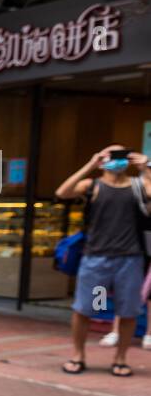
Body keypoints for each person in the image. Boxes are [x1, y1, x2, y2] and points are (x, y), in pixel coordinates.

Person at [56, 145, 150, 377]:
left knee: (128, 311)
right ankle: (78, 355)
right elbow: (63, 192)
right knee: (86, 309)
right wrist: (91, 164)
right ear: (102, 159)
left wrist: (147, 167)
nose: (117, 160)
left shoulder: (139, 186)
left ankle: (120, 359)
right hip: (96, 260)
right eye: (111, 154)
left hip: (130, 260)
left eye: (122, 155)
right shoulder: (93, 186)